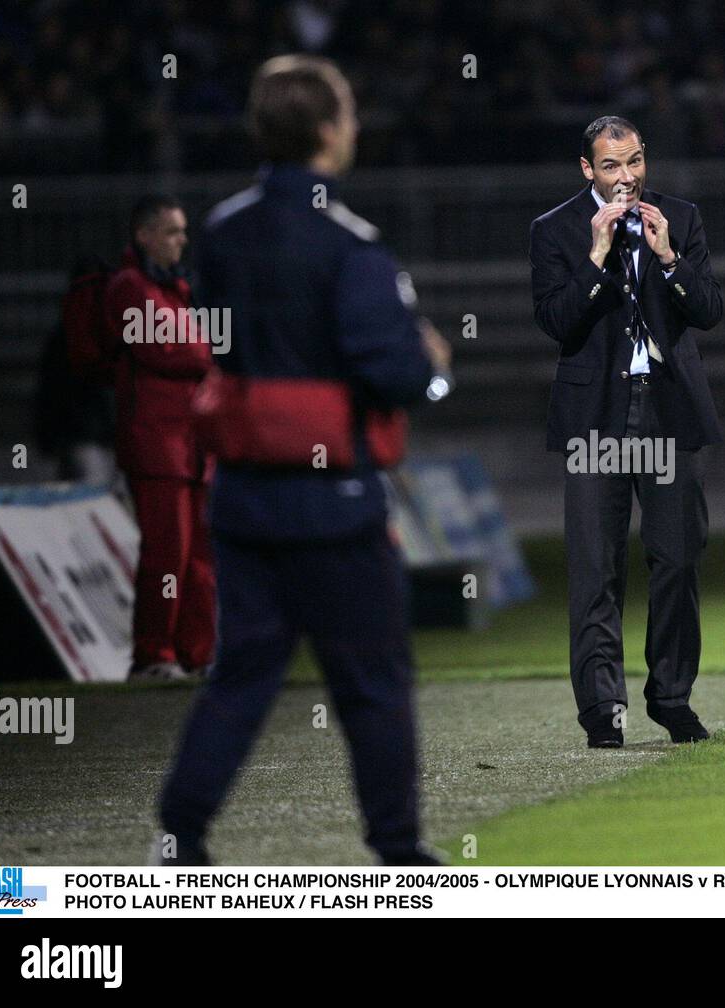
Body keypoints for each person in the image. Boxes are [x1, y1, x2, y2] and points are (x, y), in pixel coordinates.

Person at [156, 55, 449, 865]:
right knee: (374, 683)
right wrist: (431, 366)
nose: (353, 126)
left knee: (241, 676)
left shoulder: (219, 231)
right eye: (347, 113)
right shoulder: (348, 242)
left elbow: (216, 342)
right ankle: (398, 851)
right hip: (335, 501)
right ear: (326, 131)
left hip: (244, 494)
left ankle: (179, 835)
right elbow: (391, 370)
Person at [530, 115, 722, 749]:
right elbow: (558, 322)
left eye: (635, 161)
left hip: (667, 413)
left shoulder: (681, 218)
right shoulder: (556, 230)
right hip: (597, 418)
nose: (627, 177)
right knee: (595, 568)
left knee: (676, 562)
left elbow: (710, 311)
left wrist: (668, 258)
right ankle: (602, 709)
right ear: (588, 170)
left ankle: (671, 699)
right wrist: (595, 257)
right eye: (611, 166)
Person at [104, 195, 215, 682]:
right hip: (156, 444)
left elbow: (190, 344)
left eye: (183, 230)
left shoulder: (176, 287)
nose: (181, 240)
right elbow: (167, 348)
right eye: (172, 231)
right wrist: (215, 347)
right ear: (144, 235)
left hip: (189, 445)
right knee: (168, 555)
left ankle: (196, 654)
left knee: (198, 558)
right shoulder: (130, 286)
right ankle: (153, 655)